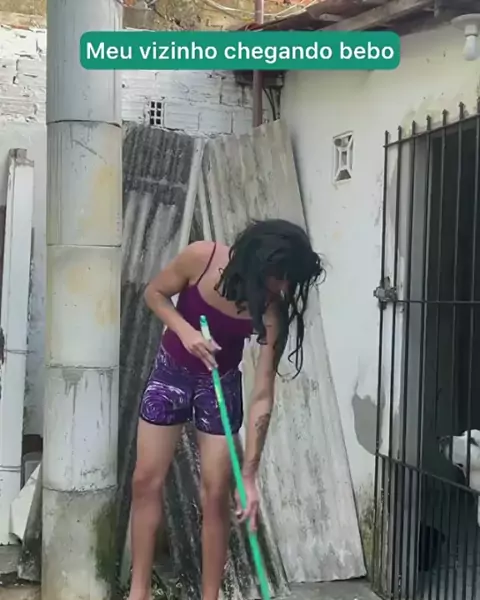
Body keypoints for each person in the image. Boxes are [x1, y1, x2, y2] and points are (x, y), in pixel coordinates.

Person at [128, 218, 324, 600]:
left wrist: (250, 475)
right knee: (145, 480)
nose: (283, 288)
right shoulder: (201, 258)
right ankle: (139, 593)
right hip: (171, 373)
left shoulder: (272, 311)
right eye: (279, 276)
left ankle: (210, 597)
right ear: (257, 261)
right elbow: (155, 294)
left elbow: (263, 393)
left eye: (289, 281)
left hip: (220, 384)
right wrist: (185, 331)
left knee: (217, 494)